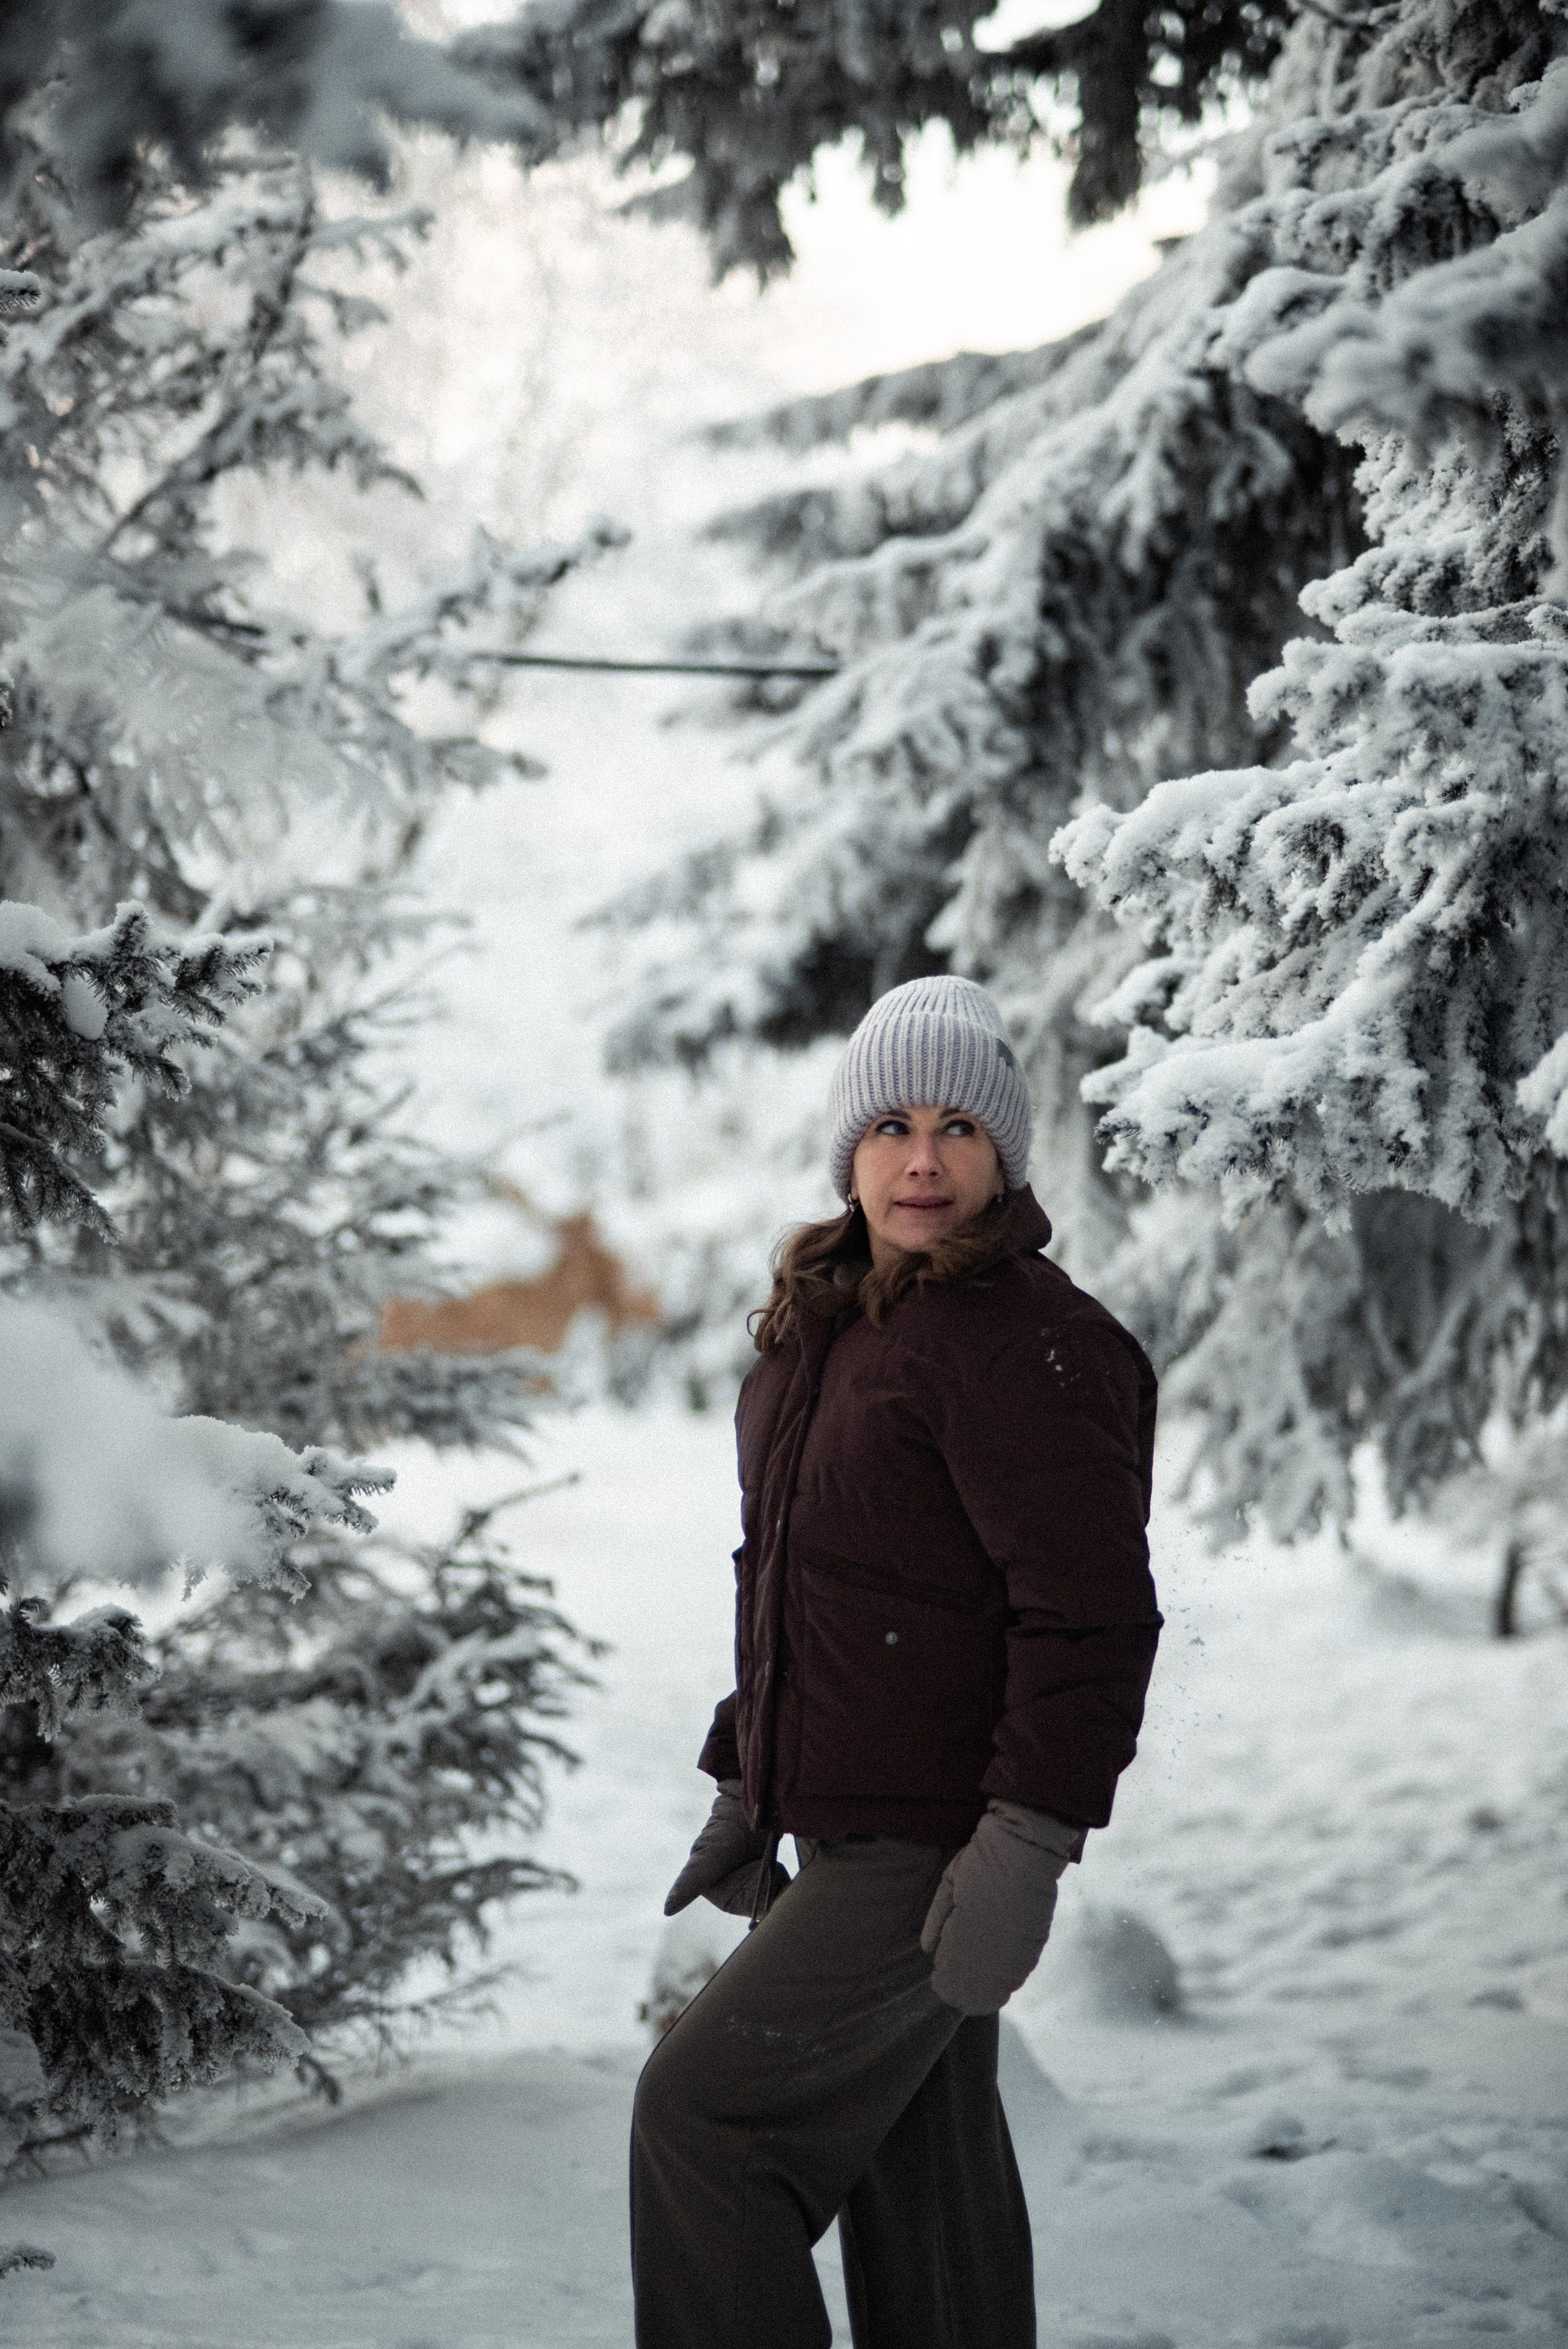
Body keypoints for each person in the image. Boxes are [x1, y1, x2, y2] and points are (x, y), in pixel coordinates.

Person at [631, 974, 1161, 2349]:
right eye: (889, 1125)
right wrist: (752, 1770)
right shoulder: (830, 1332)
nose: (920, 1158)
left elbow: (1088, 1615)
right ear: (847, 1152)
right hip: (850, 1821)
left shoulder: (1034, 1344)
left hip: (934, 1848)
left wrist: (1027, 1840)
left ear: (1002, 1158)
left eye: (957, 1128)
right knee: (927, 2202)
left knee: (702, 2121)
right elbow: (811, 1579)